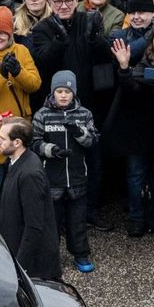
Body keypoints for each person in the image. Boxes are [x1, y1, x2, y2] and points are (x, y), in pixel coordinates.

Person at [28, 69, 99, 272]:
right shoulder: (43, 114)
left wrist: (79, 132)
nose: (63, 95)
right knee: (52, 222)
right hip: (52, 178)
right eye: (59, 91)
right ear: (52, 93)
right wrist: (51, 151)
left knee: (78, 221)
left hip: (77, 176)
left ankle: (81, 254)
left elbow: (93, 141)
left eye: (67, 91)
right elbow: (34, 142)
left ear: (73, 93)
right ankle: (50, 256)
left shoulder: (84, 113)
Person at [0, 116, 60, 280]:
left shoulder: (30, 174)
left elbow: (34, 226)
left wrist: (19, 267)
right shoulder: (15, 162)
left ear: (17, 143)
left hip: (35, 268)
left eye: (2, 138)